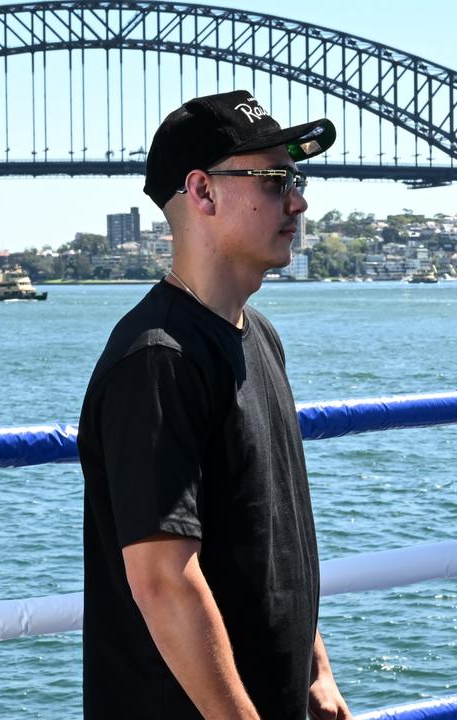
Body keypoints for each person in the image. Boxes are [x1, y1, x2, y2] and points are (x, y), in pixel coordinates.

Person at [78, 90, 352, 720]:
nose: (299, 200)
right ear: (202, 193)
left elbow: (270, 532)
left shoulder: (257, 336)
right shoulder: (156, 361)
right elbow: (164, 580)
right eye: (276, 178)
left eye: (297, 177)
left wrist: (315, 670)